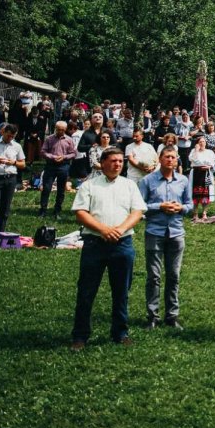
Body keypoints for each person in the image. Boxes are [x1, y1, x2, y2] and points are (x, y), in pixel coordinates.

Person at [70, 147, 146, 350]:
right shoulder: (89, 186)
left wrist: (120, 229)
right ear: (102, 163)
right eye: (113, 161)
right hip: (95, 244)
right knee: (86, 291)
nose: (117, 164)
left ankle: (120, 333)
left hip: (123, 244)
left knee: (121, 291)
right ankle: (80, 336)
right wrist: (103, 230)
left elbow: (137, 212)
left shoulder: (130, 185)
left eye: (121, 161)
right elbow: (81, 213)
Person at [139, 146, 193, 330]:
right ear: (160, 159)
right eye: (167, 157)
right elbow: (140, 206)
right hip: (155, 232)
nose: (170, 160)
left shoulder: (183, 181)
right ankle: (152, 316)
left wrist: (181, 209)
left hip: (177, 232)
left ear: (177, 160)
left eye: (173, 157)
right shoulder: (148, 180)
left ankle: (172, 316)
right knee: (154, 276)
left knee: (173, 275)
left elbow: (189, 205)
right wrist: (159, 206)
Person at [188, 134, 215, 222]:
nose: (202, 143)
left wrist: (208, 166)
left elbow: (212, 162)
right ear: (197, 143)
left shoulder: (210, 152)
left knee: (205, 194)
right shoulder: (193, 151)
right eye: (200, 142)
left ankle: (204, 213)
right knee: (195, 193)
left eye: (203, 141)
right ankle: (195, 213)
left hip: (206, 173)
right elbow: (192, 160)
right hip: (196, 173)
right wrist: (196, 151)